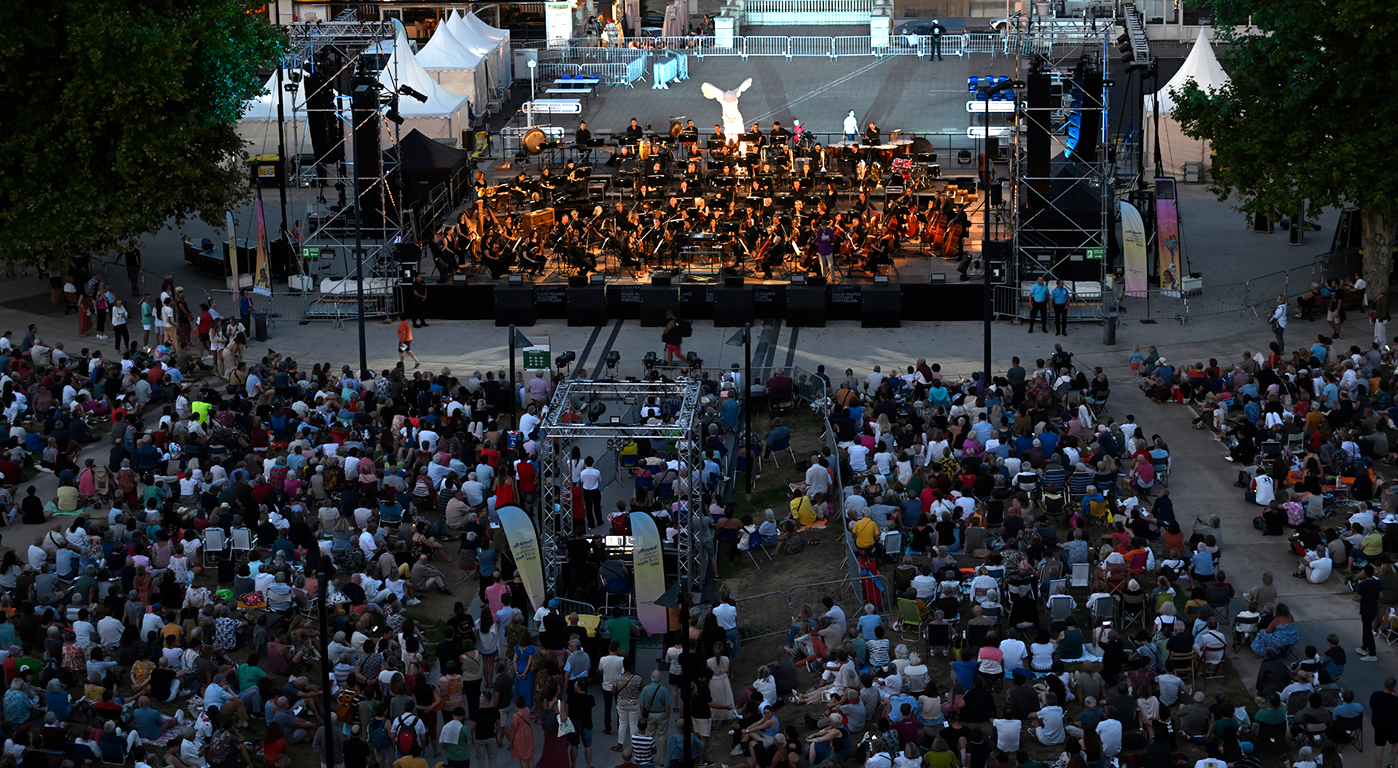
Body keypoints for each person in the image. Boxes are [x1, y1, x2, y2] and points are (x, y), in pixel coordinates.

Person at [1353, 564, 1381, 662]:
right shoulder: (1377, 583)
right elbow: (1380, 596)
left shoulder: (1363, 585)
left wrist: (1356, 594)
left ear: (1365, 573)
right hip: (1374, 608)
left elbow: (1359, 599)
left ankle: (1372, 653)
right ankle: (1364, 647)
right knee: (1367, 628)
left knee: (1367, 630)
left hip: (1365, 609)